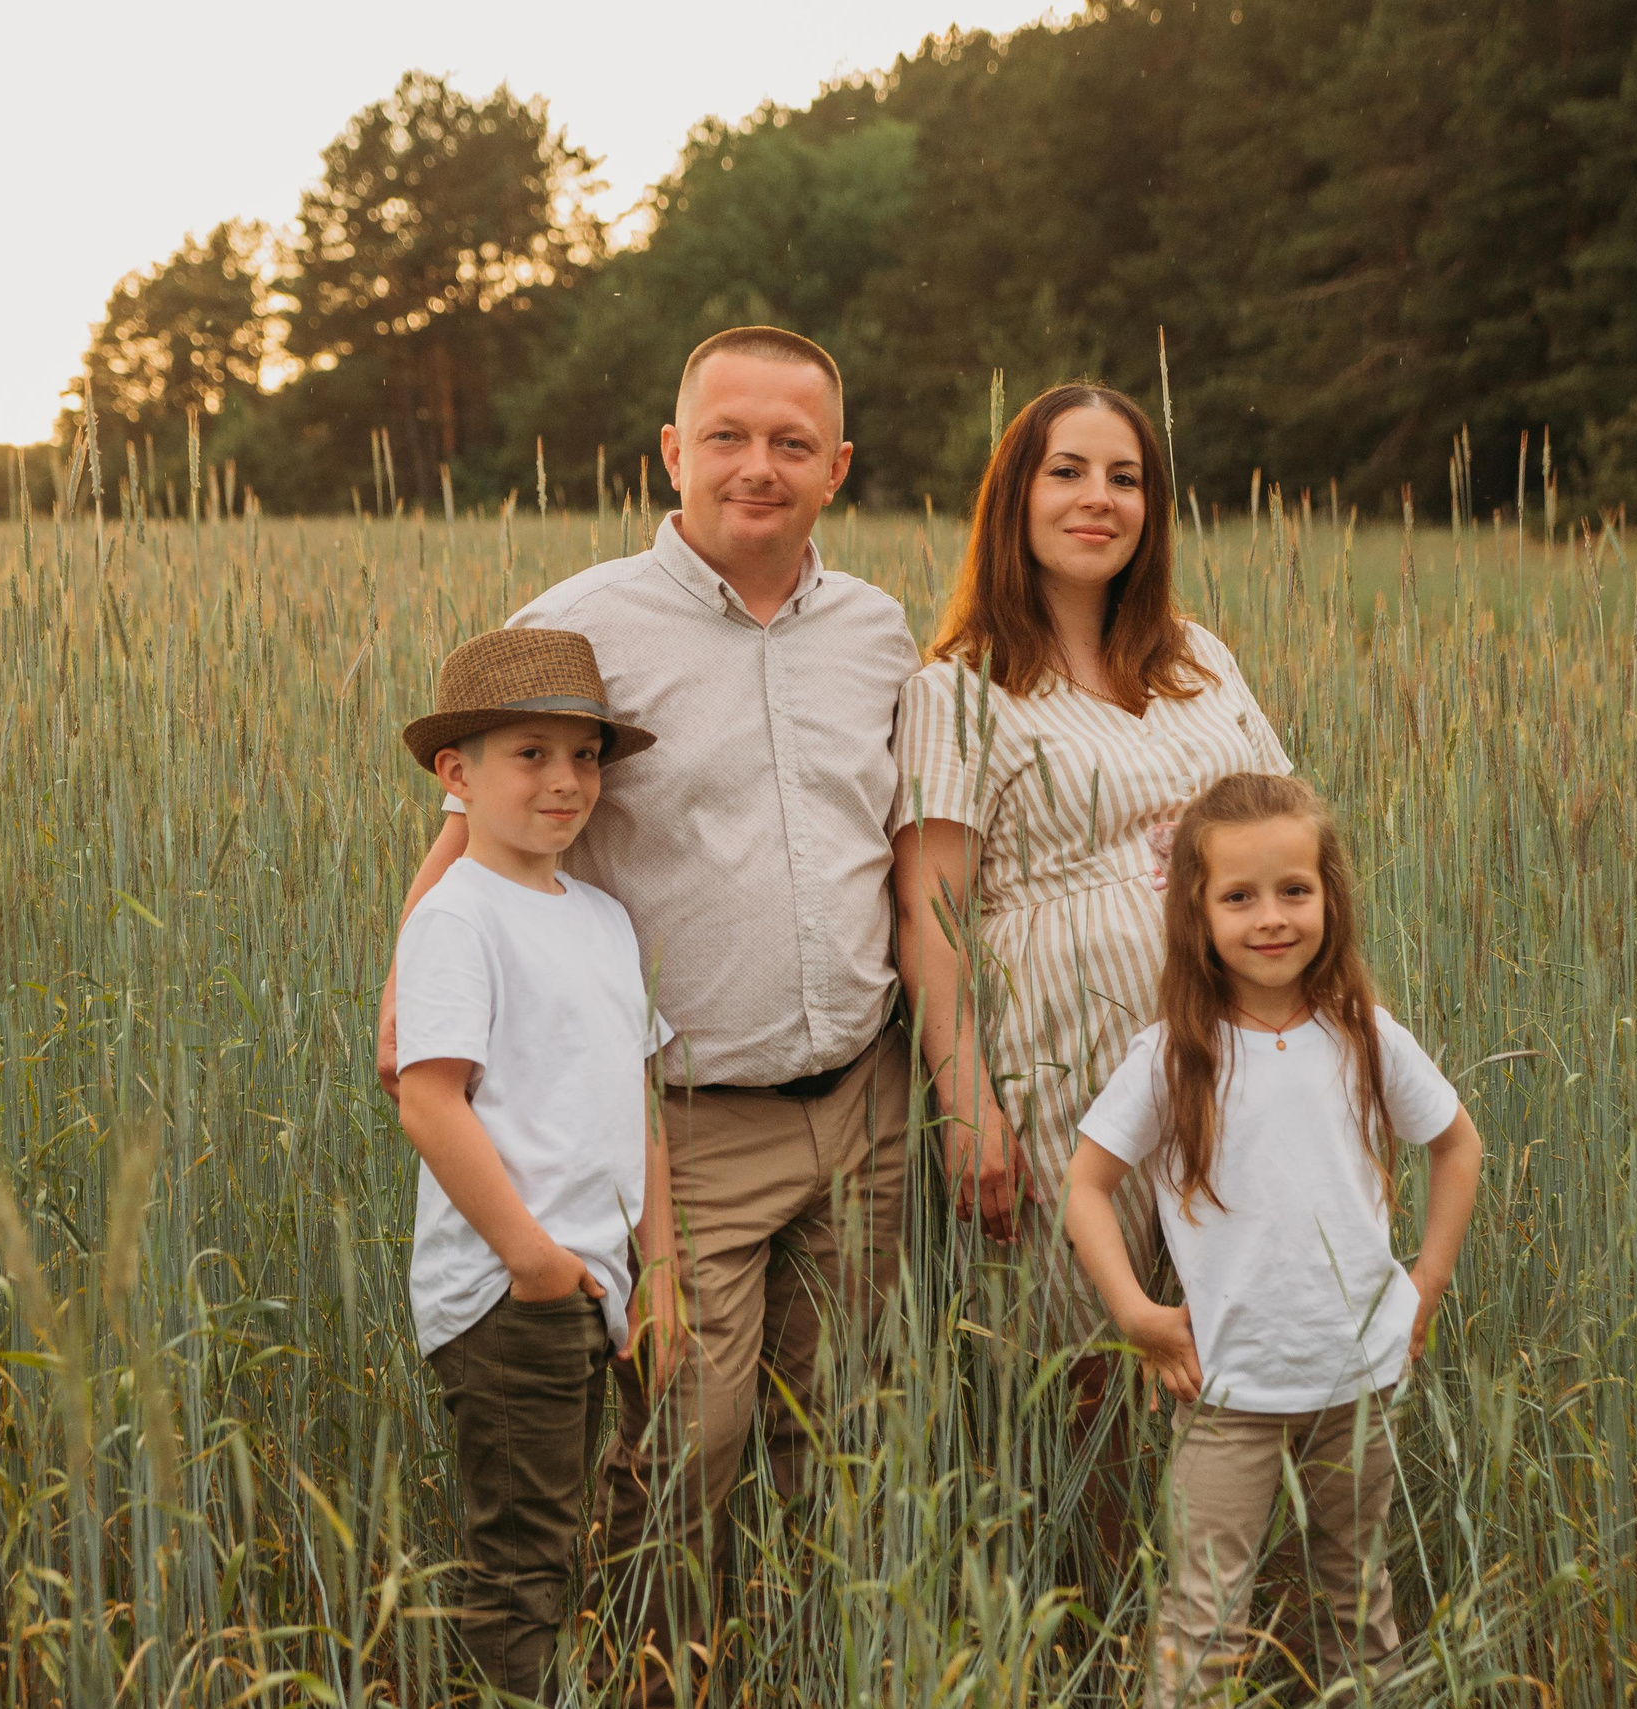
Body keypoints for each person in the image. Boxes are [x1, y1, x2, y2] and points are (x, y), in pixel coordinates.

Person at [378, 327, 923, 1704]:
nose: (759, 466)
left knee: (845, 1421)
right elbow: (471, 834)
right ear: (673, 452)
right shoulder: (582, 625)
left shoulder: (876, 631)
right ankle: (655, 1677)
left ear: (837, 467)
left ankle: (811, 1669)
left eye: (793, 444)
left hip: (866, 1103)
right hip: (691, 1124)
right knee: (690, 1444)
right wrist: (408, 1010)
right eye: (727, 437)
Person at [889, 382, 1294, 1505]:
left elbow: (1291, 837)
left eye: (1124, 477)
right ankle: (1092, 1637)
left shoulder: (1197, 659)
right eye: (1067, 470)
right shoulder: (958, 690)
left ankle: (1231, 1626)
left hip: (1235, 1061)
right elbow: (929, 911)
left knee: (1245, 1352)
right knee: (1088, 1369)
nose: (1097, 499)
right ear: (1014, 494)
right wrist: (966, 1099)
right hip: (1066, 1076)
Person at [1065, 771, 1484, 1701]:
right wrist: (1136, 1313)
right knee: (1203, 1624)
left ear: (1328, 895)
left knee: (1359, 1608)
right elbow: (1086, 1187)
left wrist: (1426, 1281)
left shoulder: (1364, 1035)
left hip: (1359, 1381)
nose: (1272, 917)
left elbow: (1458, 1146)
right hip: (1228, 1391)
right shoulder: (1176, 1054)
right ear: (1196, 912)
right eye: (1239, 896)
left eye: (1295, 890)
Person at [392, 626, 685, 1700]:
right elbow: (428, 1100)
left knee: (570, 1537)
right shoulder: (458, 915)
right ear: (456, 775)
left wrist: (658, 1269)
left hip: (600, 1283)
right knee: (521, 1561)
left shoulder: (603, 917)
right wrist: (533, 1258)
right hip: (512, 1290)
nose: (564, 780)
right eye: (530, 753)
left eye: (584, 754)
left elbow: (637, 1102)